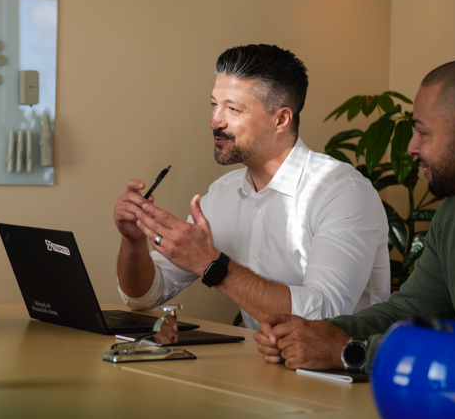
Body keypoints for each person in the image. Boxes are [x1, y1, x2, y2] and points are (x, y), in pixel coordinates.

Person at [254, 57, 455, 382]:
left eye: (422, 132)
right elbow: (408, 313)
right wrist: (311, 332)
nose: (412, 147)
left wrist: (346, 350)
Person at [115, 44, 390, 329]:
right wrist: (133, 243)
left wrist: (212, 264)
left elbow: (325, 316)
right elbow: (144, 298)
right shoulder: (222, 195)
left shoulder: (342, 193)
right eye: (214, 105)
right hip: (258, 368)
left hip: (341, 370)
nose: (214, 121)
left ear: (281, 119)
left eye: (232, 109)